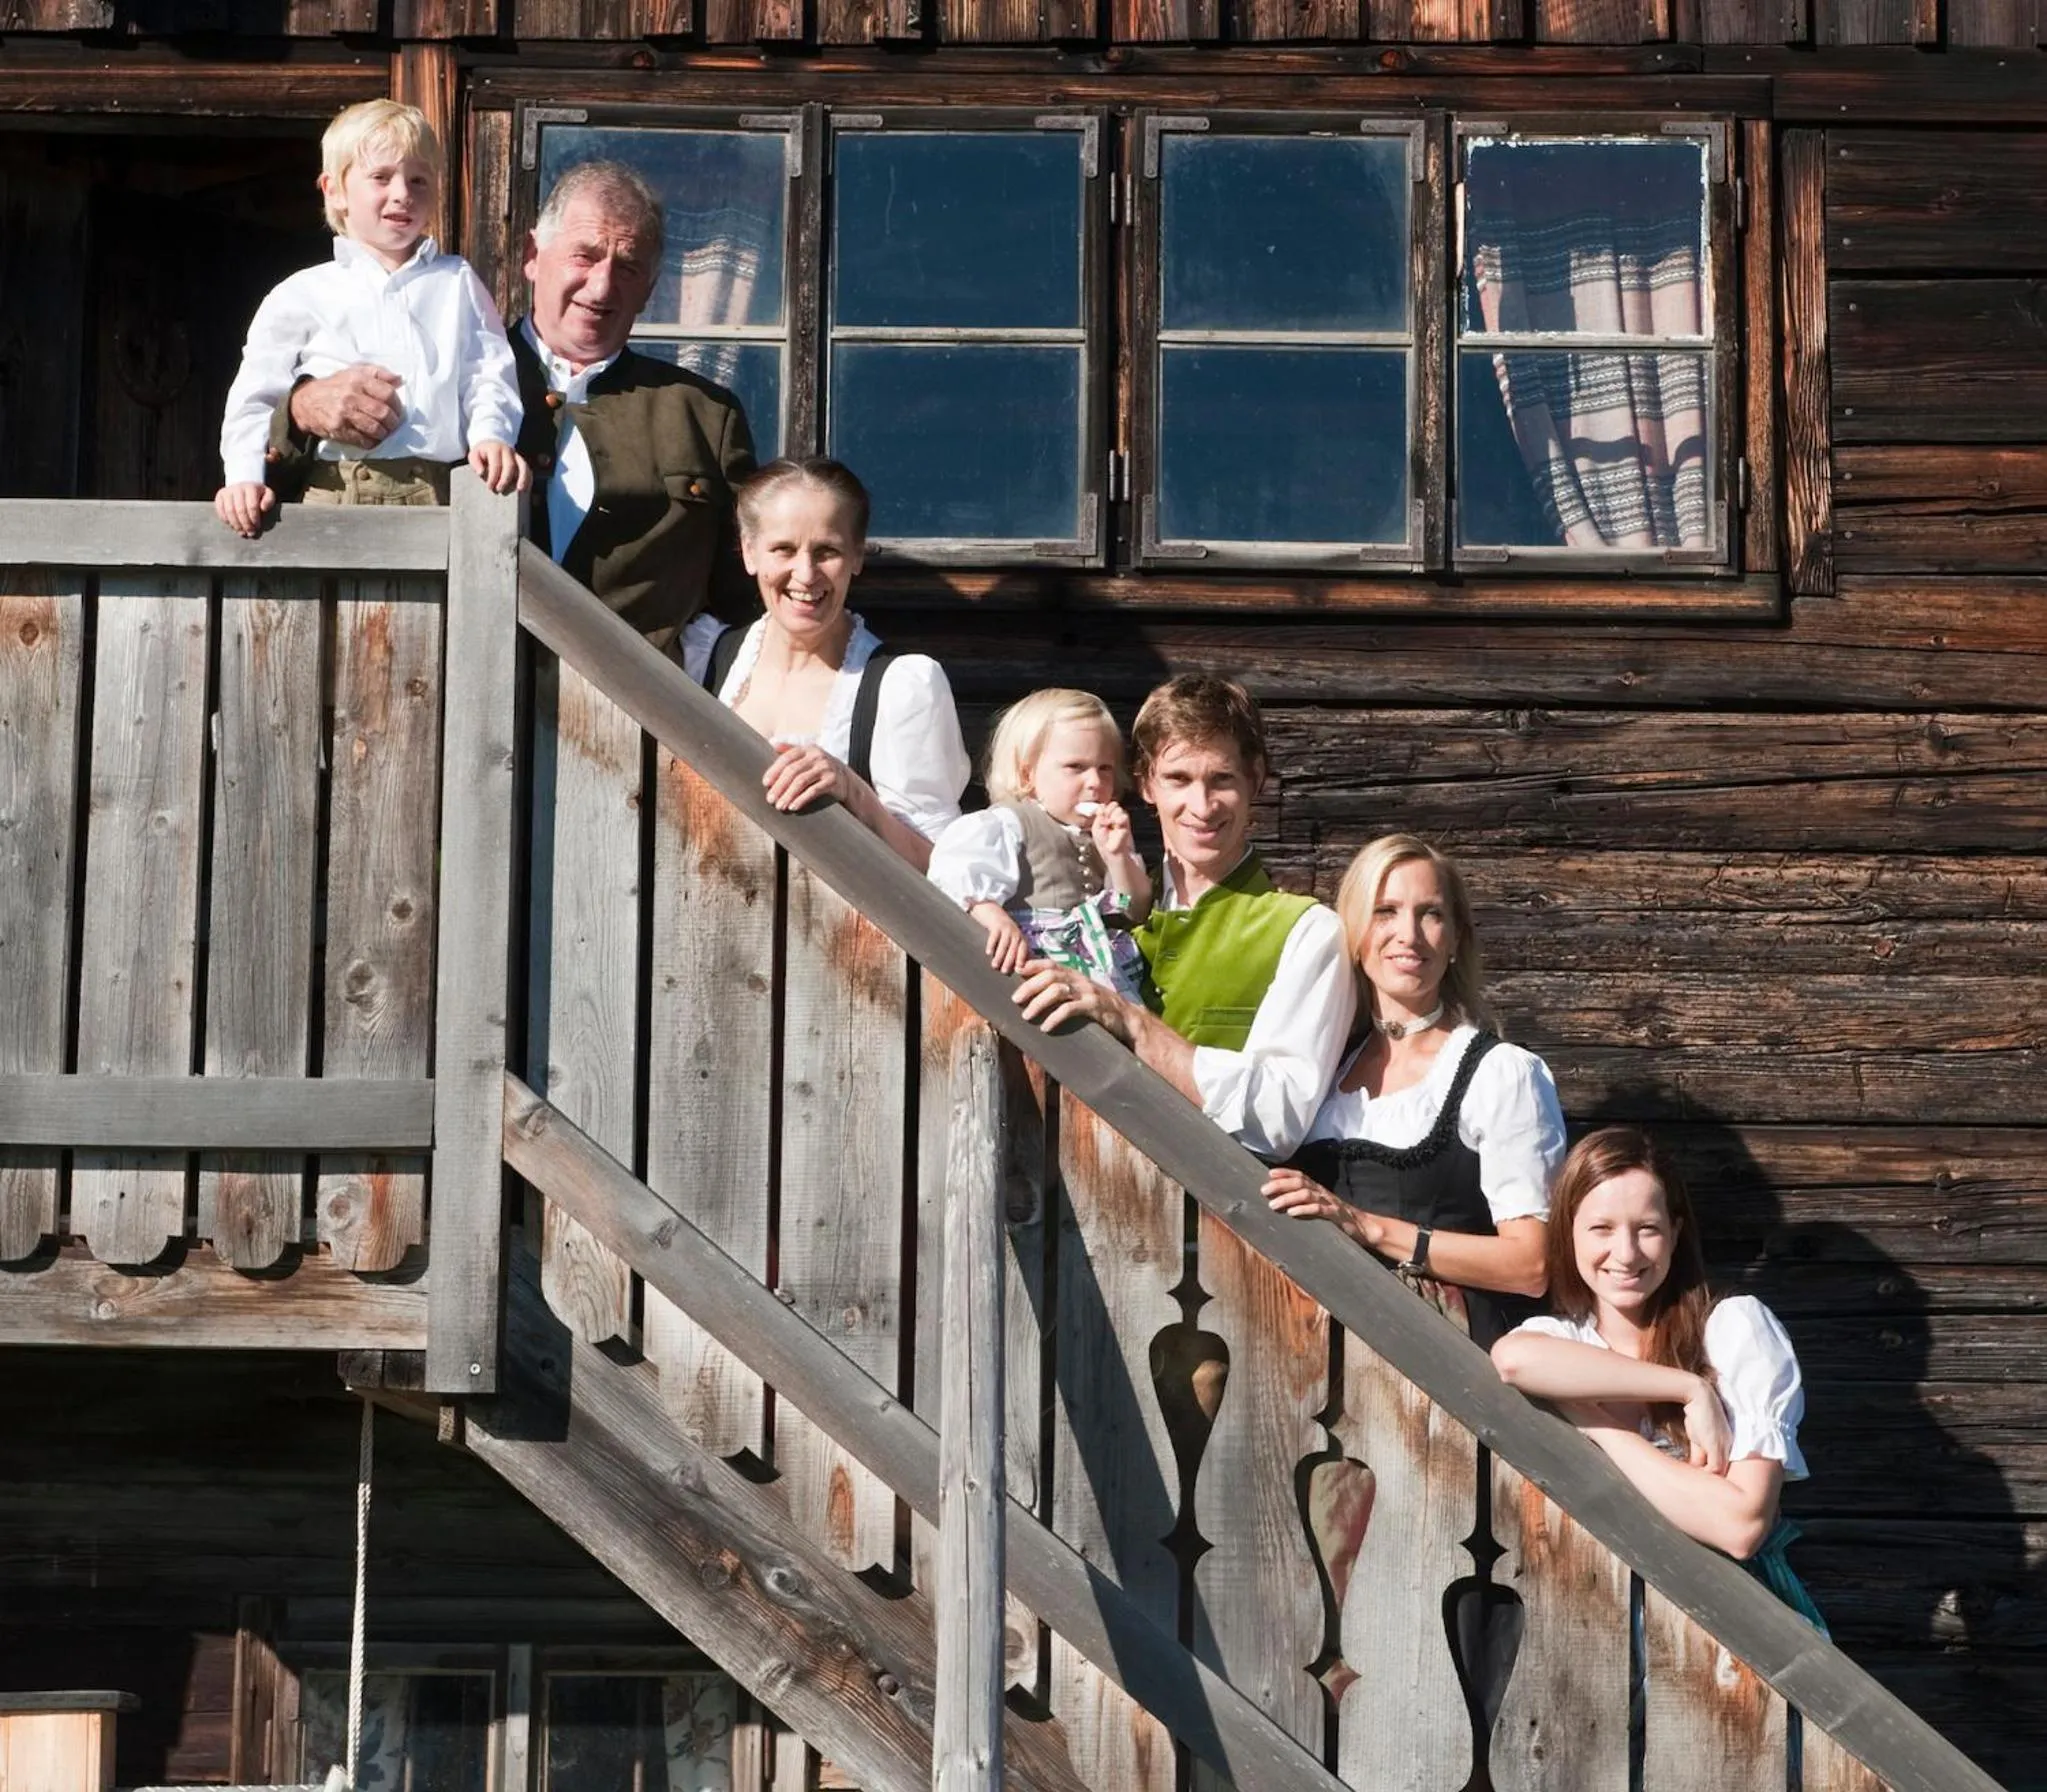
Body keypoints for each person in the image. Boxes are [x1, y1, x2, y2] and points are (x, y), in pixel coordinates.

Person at [276, 158, 754, 647]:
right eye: (584, 256)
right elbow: (273, 501)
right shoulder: (441, 377)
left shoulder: (704, 415)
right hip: (456, 692)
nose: (603, 285)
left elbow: (745, 598)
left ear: (650, 290)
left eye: (628, 268)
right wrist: (300, 408)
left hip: (633, 713)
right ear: (532, 254)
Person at [1491, 1127, 1825, 1622]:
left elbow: (1740, 1526)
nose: (1626, 1254)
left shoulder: (1734, 1328)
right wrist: (1687, 1388)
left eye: (1646, 1228)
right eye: (1601, 1229)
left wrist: (1593, 1421)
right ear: (1569, 1234)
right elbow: (1512, 1359)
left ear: (1675, 1232)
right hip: (1594, 1622)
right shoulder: (1561, 1339)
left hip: (1735, 1630)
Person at [1013, 675, 1353, 1161]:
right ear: (1146, 783)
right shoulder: (1096, 912)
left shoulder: (1309, 932)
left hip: (1217, 1229)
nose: (1202, 806)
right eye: (1179, 779)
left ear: (1255, 779)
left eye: (1222, 779)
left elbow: (1278, 1121)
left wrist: (1134, 1024)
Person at [1261, 835, 1562, 1348]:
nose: (1408, 935)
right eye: (1385, 911)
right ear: (1355, 934)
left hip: (1450, 1363)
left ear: (1455, 940)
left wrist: (1371, 1229)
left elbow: (1532, 1264)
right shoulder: (1322, 1070)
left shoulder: (1500, 1074)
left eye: (1430, 914)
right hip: (1320, 1360)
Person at [216, 98, 524, 536]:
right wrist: (244, 477)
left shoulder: (457, 282)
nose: (402, 193)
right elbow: (255, 395)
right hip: (333, 491)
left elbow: (488, 372)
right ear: (334, 190)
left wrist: (492, 436)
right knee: (332, 605)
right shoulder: (301, 293)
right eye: (380, 177)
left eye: (418, 179)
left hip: (437, 493)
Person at [681, 458, 968, 871]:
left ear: (856, 556)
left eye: (827, 551)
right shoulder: (702, 657)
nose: (806, 573)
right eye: (784, 549)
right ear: (749, 552)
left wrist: (852, 791)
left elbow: (940, 870)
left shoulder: (900, 687)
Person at [927, 689, 1152, 998]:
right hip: (1033, 971)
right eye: (1076, 767)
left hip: (1095, 982)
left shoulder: (1104, 838)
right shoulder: (1008, 825)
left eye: (1105, 768)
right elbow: (954, 876)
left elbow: (1135, 909)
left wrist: (1118, 858)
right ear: (1027, 774)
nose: (1095, 783)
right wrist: (993, 916)